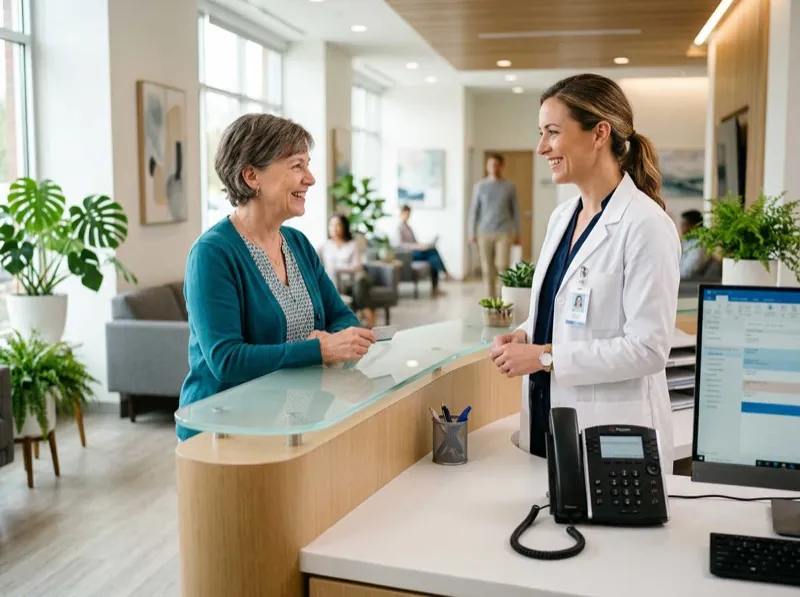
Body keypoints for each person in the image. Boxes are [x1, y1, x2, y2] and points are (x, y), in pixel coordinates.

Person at [488, 74, 681, 471]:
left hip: (612, 435)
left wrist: (543, 357)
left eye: (553, 133)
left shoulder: (645, 225)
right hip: (547, 421)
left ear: (600, 134)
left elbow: (648, 349)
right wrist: (527, 331)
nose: (542, 147)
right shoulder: (562, 218)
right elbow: (569, 308)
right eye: (541, 133)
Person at [178, 113, 376, 441]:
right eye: (296, 166)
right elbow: (226, 359)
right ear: (252, 176)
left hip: (295, 420)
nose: (310, 178)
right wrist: (319, 350)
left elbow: (343, 318)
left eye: (307, 165)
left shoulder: (297, 243)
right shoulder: (212, 254)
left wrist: (335, 341)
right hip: (223, 430)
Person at [468, 153, 521, 297]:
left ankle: (503, 298)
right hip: (484, 233)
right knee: (487, 268)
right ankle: (491, 300)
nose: (493, 167)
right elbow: (474, 210)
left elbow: (515, 210)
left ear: (501, 166)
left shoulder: (509, 186)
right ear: (487, 166)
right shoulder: (480, 186)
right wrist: (471, 232)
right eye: (491, 164)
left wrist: (517, 232)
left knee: (503, 266)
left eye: (496, 165)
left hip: (504, 232)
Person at [319, 214, 377, 328]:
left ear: (344, 227)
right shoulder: (324, 246)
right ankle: (365, 314)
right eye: (331, 225)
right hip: (332, 281)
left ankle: (365, 316)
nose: (334, 228)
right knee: (331, 276)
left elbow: (357, 266)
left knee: (360, 282)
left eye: (338, 225)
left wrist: (336, 269)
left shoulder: (352, 244)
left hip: (350, 281)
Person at [396, 204, 448, 295]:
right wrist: (415, 246)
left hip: (416, 250)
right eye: (406, 214)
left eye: (409, 214)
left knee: (432, 257)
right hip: (408, 254)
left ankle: (435, 287)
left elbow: (415, 241)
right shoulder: (399, 228)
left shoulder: (409, 228)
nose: (407, 216)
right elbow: (400, 245)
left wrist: (422, 245)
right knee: (433, 252)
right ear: (401, 214)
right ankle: (444, 273)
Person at [679, 209, 711, 279]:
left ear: (694, 226)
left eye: (684, 224)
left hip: (689, 284)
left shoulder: (700, 245)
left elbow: (687, 272)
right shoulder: (687, 242)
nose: (681, 228)